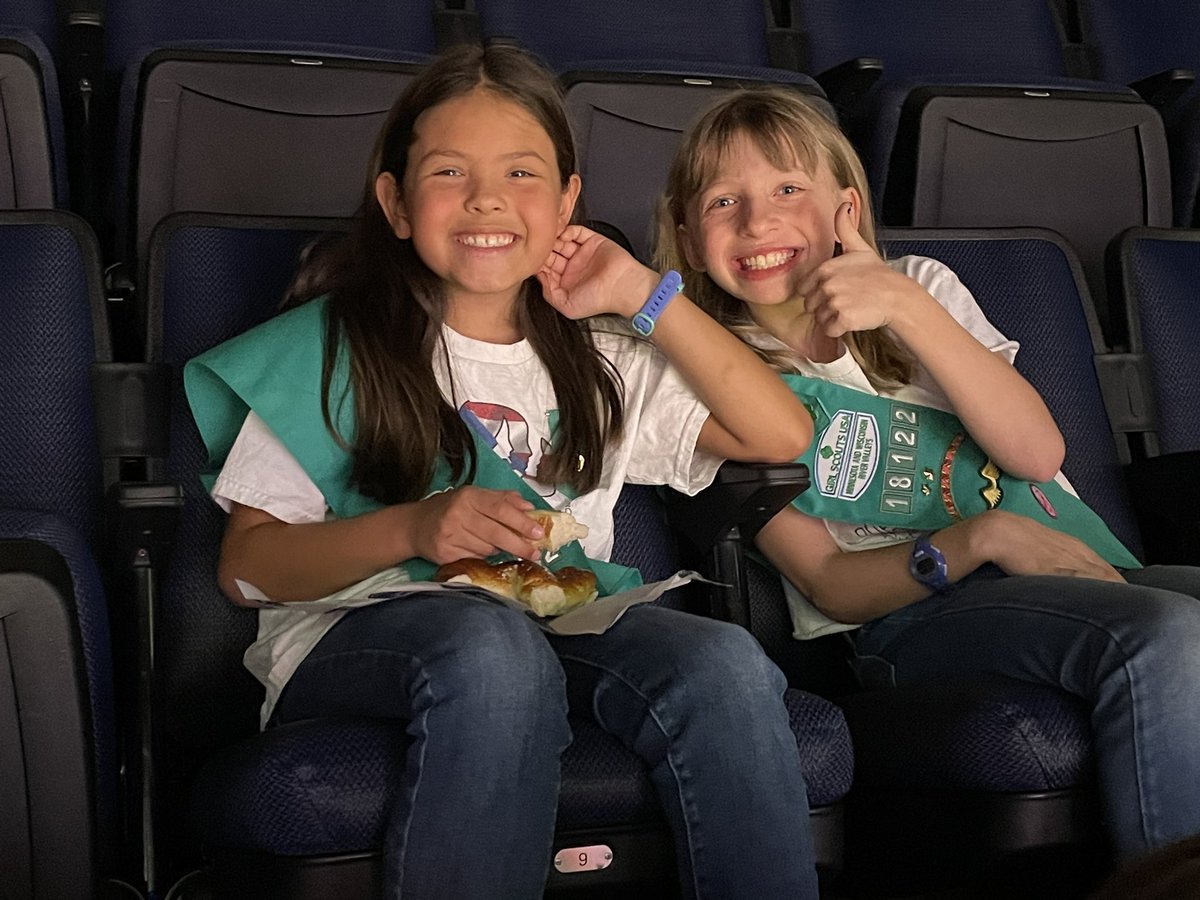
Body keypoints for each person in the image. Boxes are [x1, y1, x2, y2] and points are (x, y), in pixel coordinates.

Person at [183, 45, 820, 900]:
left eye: (521, 173)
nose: (486, 197)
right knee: (489, 644)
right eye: (450, 171)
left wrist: (641, 293)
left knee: (721, 660)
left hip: (562, 619)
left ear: (567, 202)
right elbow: (247, 568)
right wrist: (413, 528)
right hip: (356, 637)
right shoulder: (334, 350)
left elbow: (781, 432)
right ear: (395, 204)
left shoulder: (601, 356)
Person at [654, 85, 1200, 860]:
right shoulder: (699, 374)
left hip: (1071, 573)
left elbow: (1036, 454)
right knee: (1168, 634)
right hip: (908, 618)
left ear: (845, 207)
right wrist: (981, 537)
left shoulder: (926, 289)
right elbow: (833, 584)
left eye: (787, 189)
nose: (757, 222)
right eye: (721, 201)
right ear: (683, 229)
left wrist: (907, 309)